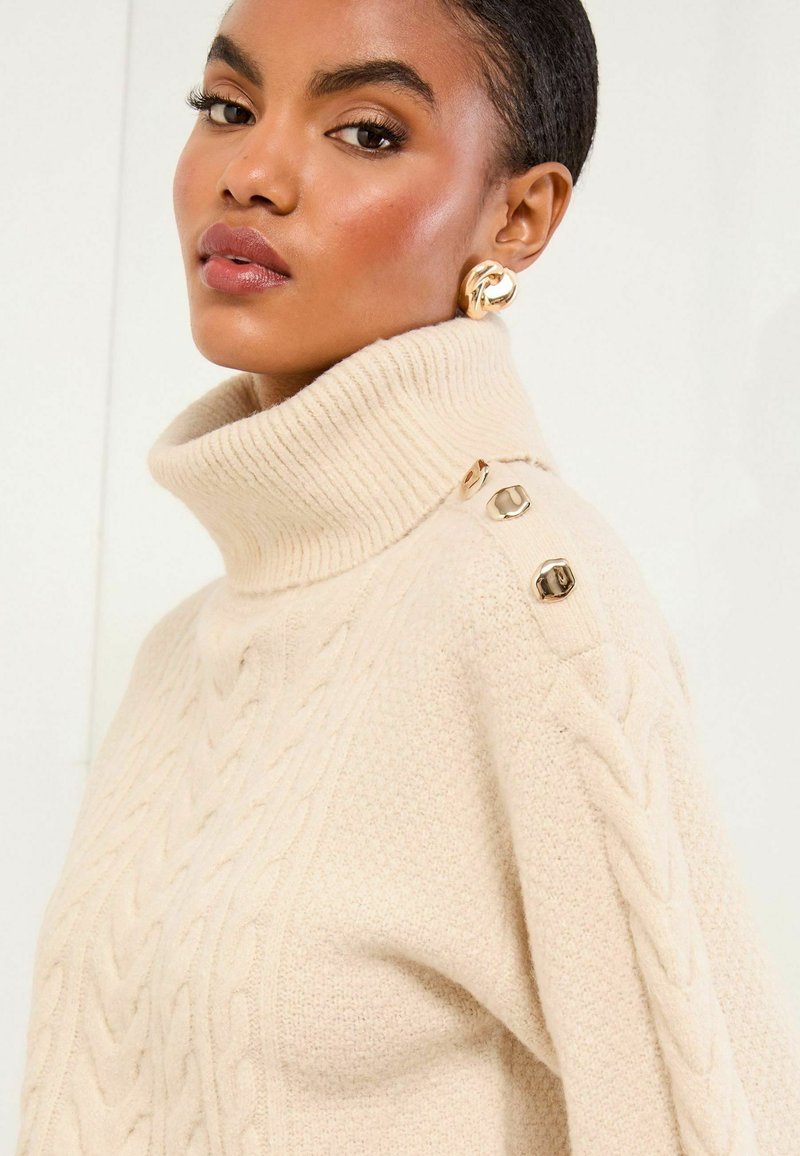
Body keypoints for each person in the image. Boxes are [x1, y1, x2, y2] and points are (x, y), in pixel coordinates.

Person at [15, 0, 800, 1153]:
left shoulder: (531, 601)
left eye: (366, 132)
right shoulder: (180, 652)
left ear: (518, 215)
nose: (251, 173)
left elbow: (707, 1124)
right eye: (225, 108)